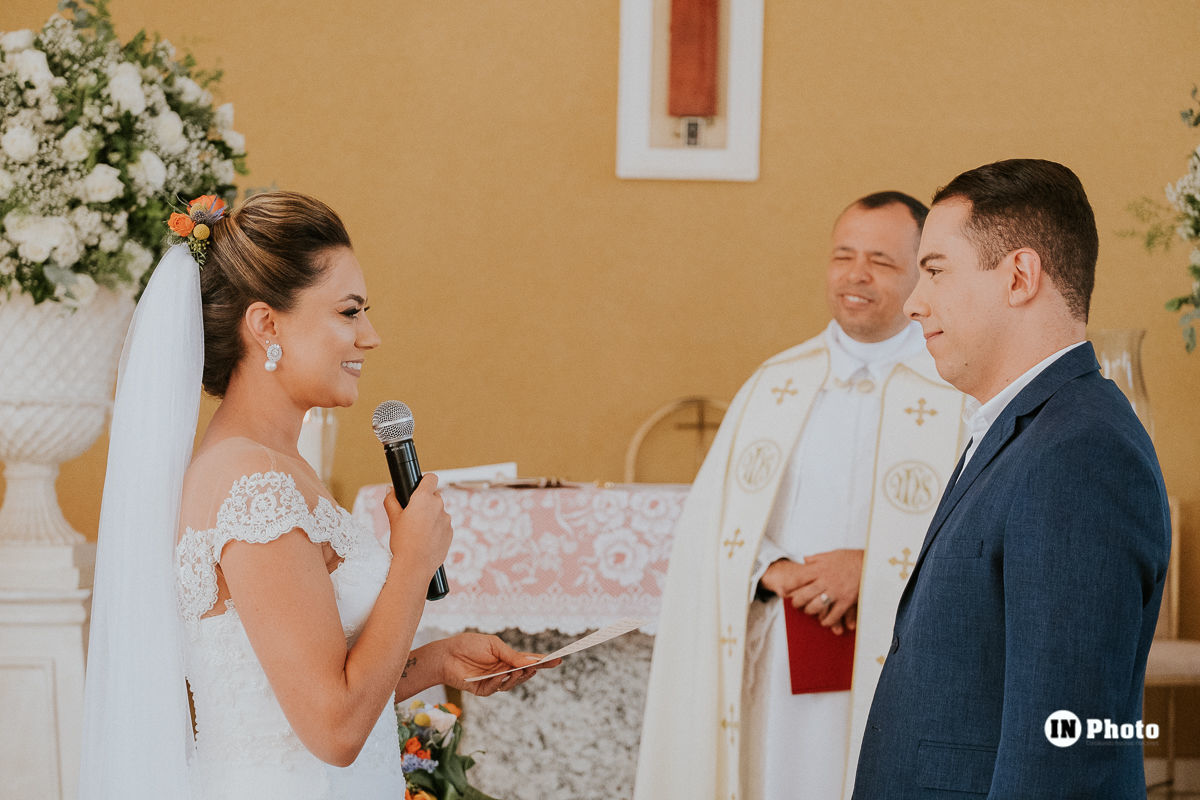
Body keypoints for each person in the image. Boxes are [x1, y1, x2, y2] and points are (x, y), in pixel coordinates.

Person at [78, 191, 556, 800]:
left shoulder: (272, 466)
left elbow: (290, 694)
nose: (371, 336)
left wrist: (435, 662)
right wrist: (412, 565)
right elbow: (332, 729)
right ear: (266, 324)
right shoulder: (254, 483)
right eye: (349, 312)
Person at [851, 159, 1172, 799]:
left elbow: (1069, 742)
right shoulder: (1027, 430)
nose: (915, 303)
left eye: (936, 270)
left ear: (1020, 276)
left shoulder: (1081, 452)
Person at [634, 192, 967, 800]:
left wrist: (872, 568)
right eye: (843, 256)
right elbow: (714, 524)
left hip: (901, 657)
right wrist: (776, 570)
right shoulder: (775, 384)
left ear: (924, 272)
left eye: (881, 261)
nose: (855, 275)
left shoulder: (958, 388)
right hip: (782, 663)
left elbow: (981, 524)